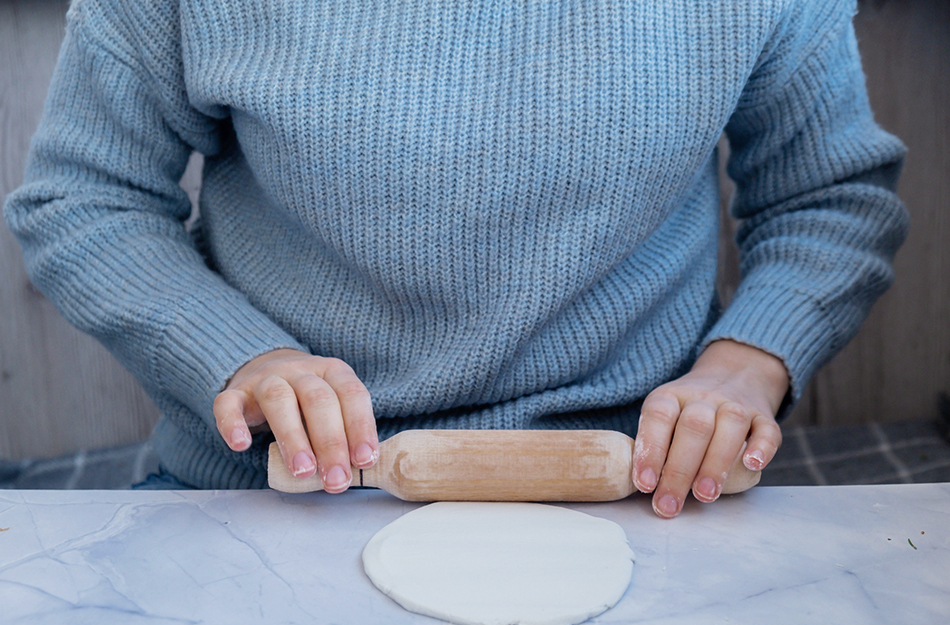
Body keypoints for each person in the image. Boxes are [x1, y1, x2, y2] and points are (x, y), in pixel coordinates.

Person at [4, 0, 908, 517]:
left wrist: (748, 363)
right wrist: (241, 355)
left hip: (647, 486)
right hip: (276, 491)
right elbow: (88, 198)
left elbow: (824, 198)